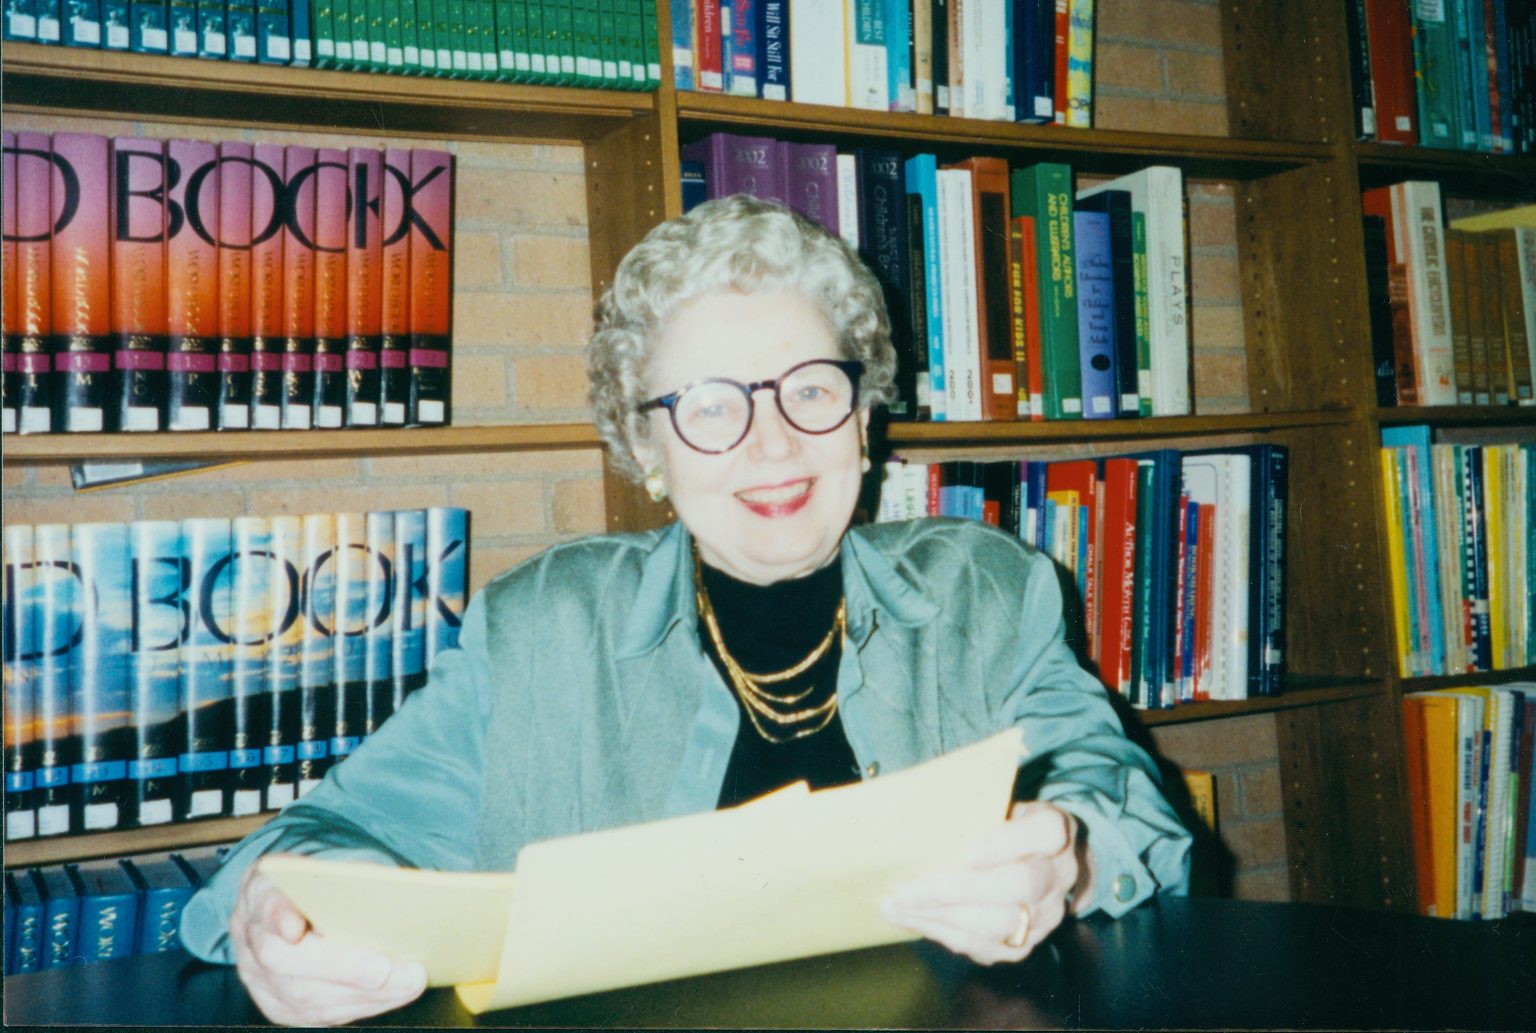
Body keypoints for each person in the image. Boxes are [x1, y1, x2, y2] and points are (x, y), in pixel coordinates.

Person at [179, 194, 1192, 1025]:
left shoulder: (985, 590)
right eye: (711, 406)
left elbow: (1127, 805)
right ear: (646, 448)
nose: (773, 443)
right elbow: (323, 838)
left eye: (809, 389)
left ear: (862, 414)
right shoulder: (545, 628)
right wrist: (282, 914)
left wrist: (1067, 856)